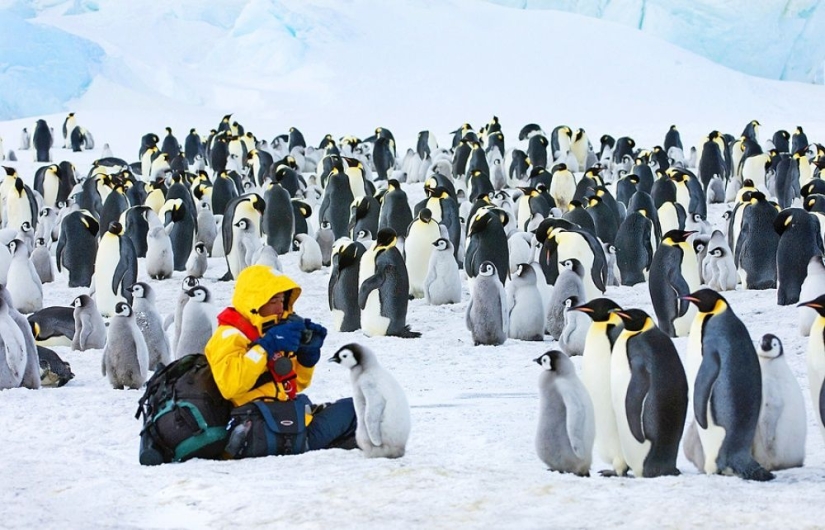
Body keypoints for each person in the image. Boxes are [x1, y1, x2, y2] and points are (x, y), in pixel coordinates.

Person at [204, 264, 357, 453]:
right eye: (273, 300)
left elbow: (294, 385)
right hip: (258, 432)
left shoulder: (268, 332)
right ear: (254, 301)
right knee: (358, 407)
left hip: (275, 423)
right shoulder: (229, 336)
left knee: (309, 401)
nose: (279, 308)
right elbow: (229, 385)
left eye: (283, 300)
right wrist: (265, 347)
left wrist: (306, 357)